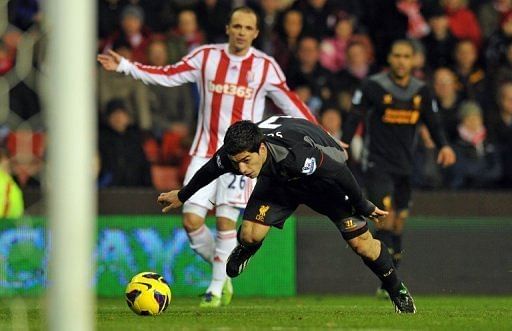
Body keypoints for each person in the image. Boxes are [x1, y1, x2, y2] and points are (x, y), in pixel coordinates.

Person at [98, 6, 316, 308]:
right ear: (228, 28)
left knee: (227, 222)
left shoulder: (265, 66)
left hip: (243, 157)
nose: (241, 32)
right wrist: (126, 66)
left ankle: (214, 290)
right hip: (204, 151)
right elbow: (169, 75)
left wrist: (321, 135)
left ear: (255, 32)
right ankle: (224, 272)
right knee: (190, 220)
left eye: (247, 28)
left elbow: (289, 102)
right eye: (236, 26)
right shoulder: (206, 57)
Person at [157, 116, 417, 314]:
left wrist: (362, 204)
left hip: (324, 182)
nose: (242, 169)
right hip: (280, 182)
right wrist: (182, 195)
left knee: (362, 245)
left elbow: (337, 172)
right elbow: (209, 170)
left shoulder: (295, 154)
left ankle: (396, 289)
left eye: (246, 161)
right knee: (249, 233)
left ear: (261, 149)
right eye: (236, 163)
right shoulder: (236, 152)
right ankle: (246, 248)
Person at [341, 39, 456, 297]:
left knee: (399, 224)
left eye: (406, 56)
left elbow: (434, 122)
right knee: (385, 218)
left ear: (413, 60)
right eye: (397, 55)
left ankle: (389, 275)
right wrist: (344, 142)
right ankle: (388, 279)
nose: (402, 61)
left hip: (405, 165)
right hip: (378, 163)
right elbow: (356, 114)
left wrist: (444, 146)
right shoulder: (373, 86)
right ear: (389, 59)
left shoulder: (421, 91)